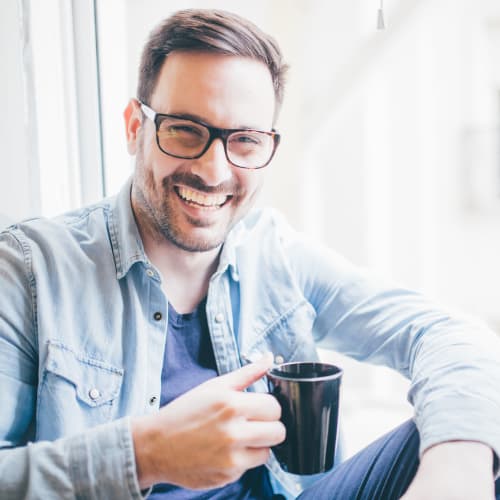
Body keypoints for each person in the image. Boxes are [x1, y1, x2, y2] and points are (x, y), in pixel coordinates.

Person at [0, 8, 499, 500]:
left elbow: (449, 337)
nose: (215, 171)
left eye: (245, 140)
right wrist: (145, 455)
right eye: (184, 130)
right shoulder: (30, 271)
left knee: (467, 427)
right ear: (135, 127)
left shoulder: (275, 256)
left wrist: (456, 475)